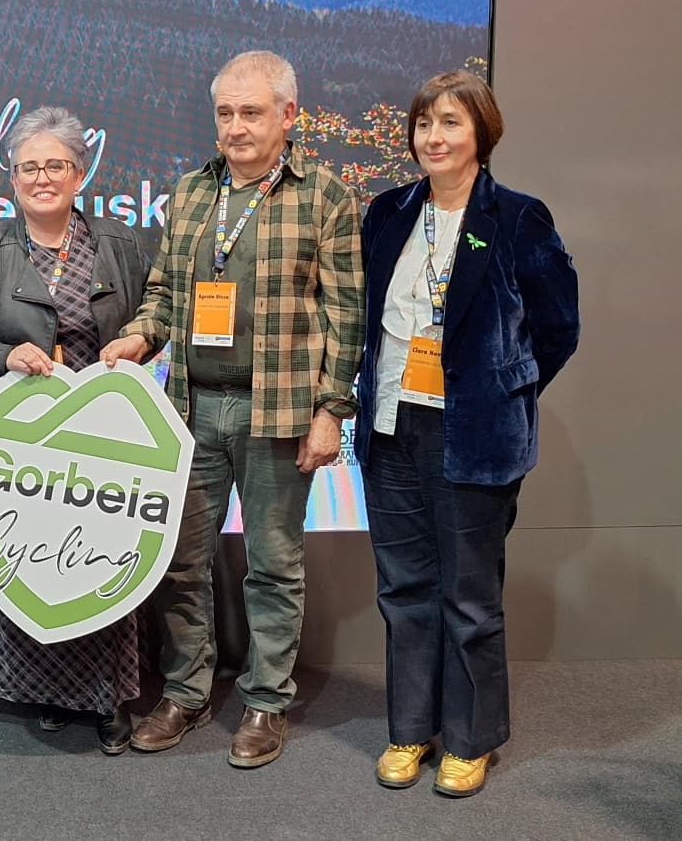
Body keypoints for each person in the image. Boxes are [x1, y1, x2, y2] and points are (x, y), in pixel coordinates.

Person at [102, 50, 365, 767]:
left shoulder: (325, 198)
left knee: (274, 566)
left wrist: (330, 411)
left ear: (287, 115)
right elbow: (164, 294)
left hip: (278, 414)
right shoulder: (191, 192)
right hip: (190, 410)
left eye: (252, 112)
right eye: (225, 113)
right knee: (181, 564)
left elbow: (346, 316)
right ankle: (185, 691)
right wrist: (137, 336)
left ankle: (264, 700)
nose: (236, 127)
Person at [357, 71, 578, 797]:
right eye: (424, 124)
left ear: (482, 132)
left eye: (450, 123)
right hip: (392, 425)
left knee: (470, 598)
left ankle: (472, 739)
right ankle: (411, 729)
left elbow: (557, 327)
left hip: (474, 434)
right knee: (404, 589)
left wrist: (500, 391)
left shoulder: (516, 218)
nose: (434, 138)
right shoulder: (388, 212)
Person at [0, 106, 151, 755]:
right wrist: (4, 356)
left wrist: (141, 339)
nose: (41, 176)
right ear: (10, 177)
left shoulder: (120, 242)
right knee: (33, 557)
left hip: (102, 438)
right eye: (28, 166)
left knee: (100, 555)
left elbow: (154, 312)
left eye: (55, 164)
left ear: (80, 173)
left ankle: (107, 699)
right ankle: (48, 694)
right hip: (21, 436)